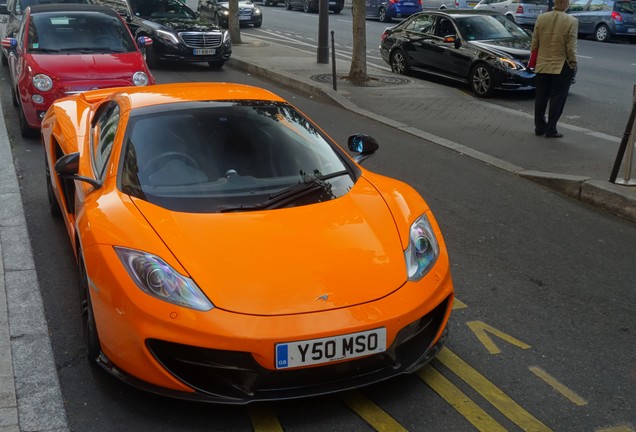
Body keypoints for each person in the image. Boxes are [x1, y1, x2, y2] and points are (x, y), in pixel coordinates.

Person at [529, 0, 578, 138]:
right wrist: (573, 63)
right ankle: (551, 129)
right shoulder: (572, 21)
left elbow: (535, 43)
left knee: (541, 97)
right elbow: (571, 47)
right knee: (558, 98)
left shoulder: (542, 18)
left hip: (542, 63)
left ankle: (539, 127)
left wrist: (534, 60)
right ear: (567, 4)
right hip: (561, 65)